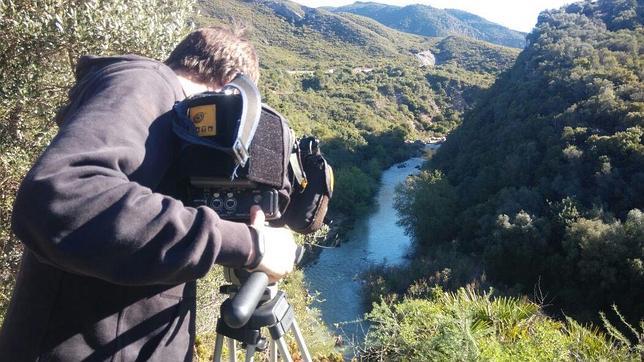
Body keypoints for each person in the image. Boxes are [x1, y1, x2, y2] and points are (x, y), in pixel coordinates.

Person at [0, 26, 297, 361]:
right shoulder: (145, 82)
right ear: (231, 88)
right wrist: (247, 244)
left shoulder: (173, 128)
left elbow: (145, 229)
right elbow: (61, 197)